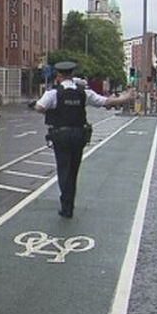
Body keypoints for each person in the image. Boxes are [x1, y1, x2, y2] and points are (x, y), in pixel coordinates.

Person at [33, 61, 135, 219]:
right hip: (79, 136)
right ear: (72, 75)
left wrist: (51, 109)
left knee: (63, 170)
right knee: (73, 171)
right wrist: (126, 97)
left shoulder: (53, 93)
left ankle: (66, 205)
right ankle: (70, 203)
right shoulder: (83, 93)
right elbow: (105, 102)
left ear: (59, 76)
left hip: (61, 136)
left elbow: (39, 107)